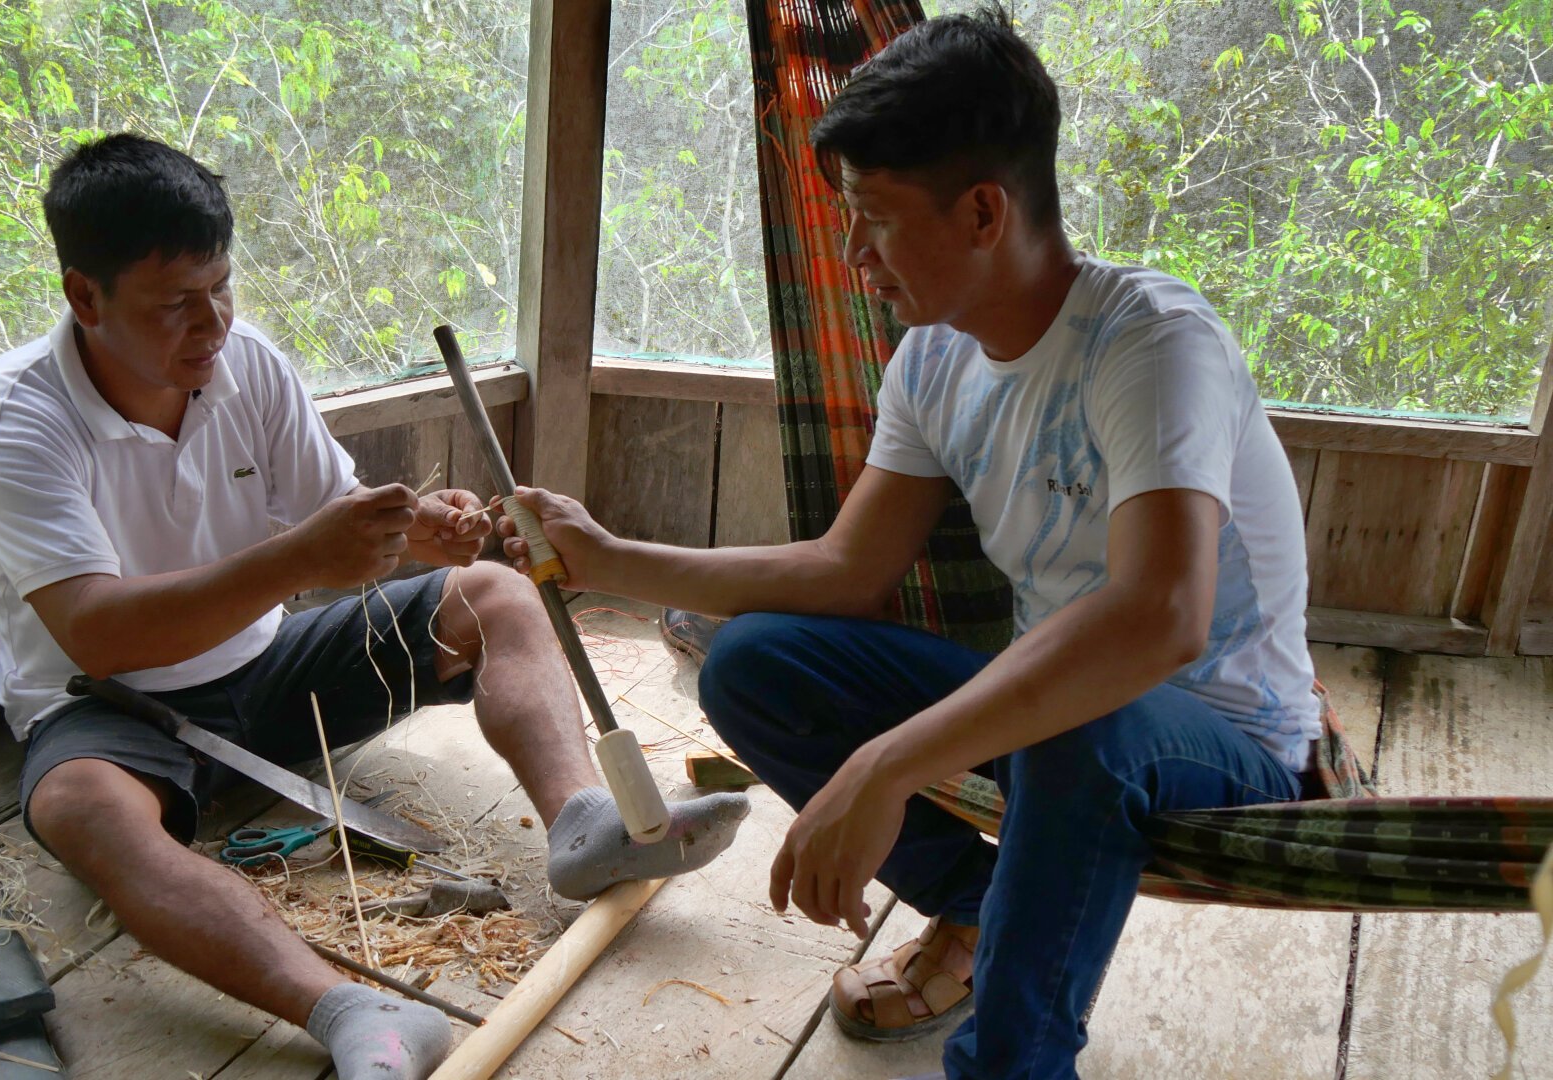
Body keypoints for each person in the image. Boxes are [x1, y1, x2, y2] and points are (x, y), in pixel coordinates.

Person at [498, 9, 1321, 1078]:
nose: (853, 256)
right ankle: (988, 907)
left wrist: (888, 766)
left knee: (1086, 711)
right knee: (753, 662)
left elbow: (1159, 621)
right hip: (1058, 722)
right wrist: (609, 556)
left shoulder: (1152, 345)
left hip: (1221, 744)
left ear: (985, 211)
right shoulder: (935, 362)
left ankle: (1012, 1062)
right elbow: (846, 570)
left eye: (875, 218)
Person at [0, 133, 750, 1080]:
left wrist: (424, 532)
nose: (210, 323)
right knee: (80, 807)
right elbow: (98, 631)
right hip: (109, 707)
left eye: (222, 287)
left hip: (267, 664)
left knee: (493, 590)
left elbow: (336, 521)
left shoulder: (247, 362)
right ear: (86, 297)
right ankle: (350, 1013)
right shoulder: (15, 417)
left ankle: (583, 827)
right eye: (174, 303)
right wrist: (302, 559)